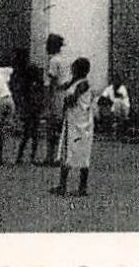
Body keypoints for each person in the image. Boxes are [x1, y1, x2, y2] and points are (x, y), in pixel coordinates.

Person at [50, 56, 95, 197]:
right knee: (69, 150)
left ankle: (79, 186)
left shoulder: (83, 84)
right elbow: (65, 86)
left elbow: (72, 98)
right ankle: (66, 185)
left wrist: (64, 100)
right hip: (74, 120)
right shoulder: (76, 82)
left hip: (80, 121)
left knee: (77, 151)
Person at [9, 47, 46, 165]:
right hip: (32, 103)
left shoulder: (21, 71)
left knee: (28, 131)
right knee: (32, 131)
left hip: (29, 102)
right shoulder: (28, 69)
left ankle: (22, 156)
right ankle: (30, 156)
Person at [42, 34, 71, 164]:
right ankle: (60, 155)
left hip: (56, 95)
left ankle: (51, 156)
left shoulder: (53, 61)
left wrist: (47, 101)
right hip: (64, 93)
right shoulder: (65, 59)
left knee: (52, 127)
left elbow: (51, 80)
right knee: (61, 126)